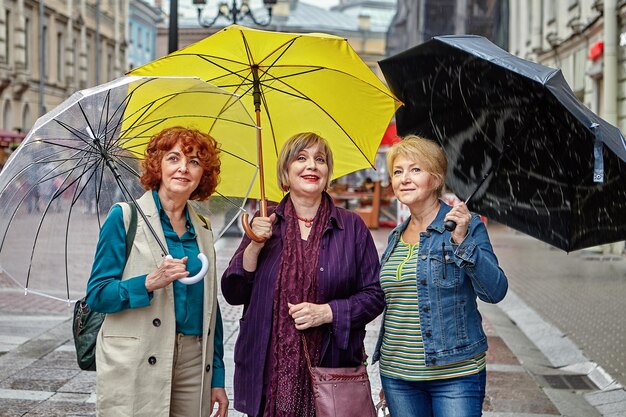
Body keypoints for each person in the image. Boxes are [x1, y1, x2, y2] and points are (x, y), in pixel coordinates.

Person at [222, 132, 385, 417]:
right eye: (301, 158)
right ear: (285, 172)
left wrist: (328, 312)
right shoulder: (266, 223)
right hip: (267, 375)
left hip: (332, 371)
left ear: (327, 172)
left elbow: (374, 295)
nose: (312, 165)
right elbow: (234, 293)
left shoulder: (352, 227)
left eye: (320, 160)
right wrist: (254, 247)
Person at [86, 126, 228, 417]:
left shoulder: (202, 227)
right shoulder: (124, 217)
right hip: (138, 354)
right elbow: (98, 296)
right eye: (173, 158)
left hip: (193, 359)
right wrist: (149, 282)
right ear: (158, 165)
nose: (183, 169)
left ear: (204, 174)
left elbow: (210, 307)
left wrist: (217, 377)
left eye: (194, 162)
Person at [373, 135, 508, 417]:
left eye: (415, 170)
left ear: (435, 179)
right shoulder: (395, 236)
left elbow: (495, 291)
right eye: (398, 172)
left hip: (455, 374)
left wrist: (462, 242)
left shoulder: (463, 227)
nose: (404, 178)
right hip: (398, 376)